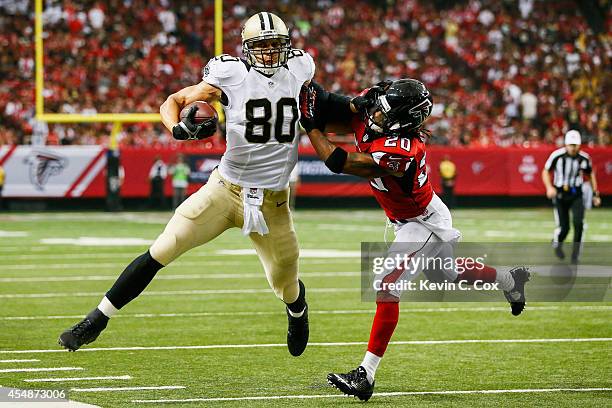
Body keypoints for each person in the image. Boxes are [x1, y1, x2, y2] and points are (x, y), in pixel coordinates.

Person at [59, 12, 313, 357]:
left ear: (287, 47)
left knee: (285, 283)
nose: (268, 53)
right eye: (261, 46)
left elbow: (321, 105)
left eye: (274, 45)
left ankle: (297, 311)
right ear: (246, 49)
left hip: (273, 202)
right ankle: (96, 319)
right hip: (225, 189)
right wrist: (177, 128)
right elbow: (173, 102)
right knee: (163, 247)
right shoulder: (231, 74)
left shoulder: (300, 69)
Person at [299, 79, 530, 401]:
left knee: (387, 283)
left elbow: (342, 162)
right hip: (415, 214)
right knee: (445, 274)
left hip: (422, 221)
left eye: (383, 114)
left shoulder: (403, 149)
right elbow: (338, 111)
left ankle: (366, 374)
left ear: (404, 121)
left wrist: (310, 126)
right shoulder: (381, 110)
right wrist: (309, 92)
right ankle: (509, 279)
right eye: (378, 110)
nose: (375, 117)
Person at [542, 130, 601, 263]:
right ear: (566, 144)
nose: (573, 148)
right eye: (571, 145)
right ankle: (558, 242)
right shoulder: (557, 156)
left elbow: (590, 174)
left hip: (576, 194)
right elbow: (546, 171)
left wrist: (595, 194)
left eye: (575, 145)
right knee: (564, 227)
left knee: (578, 223)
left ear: (579, 145)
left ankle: (575, 255)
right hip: (560, 194)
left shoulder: (584, 158)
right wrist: (549, 187)